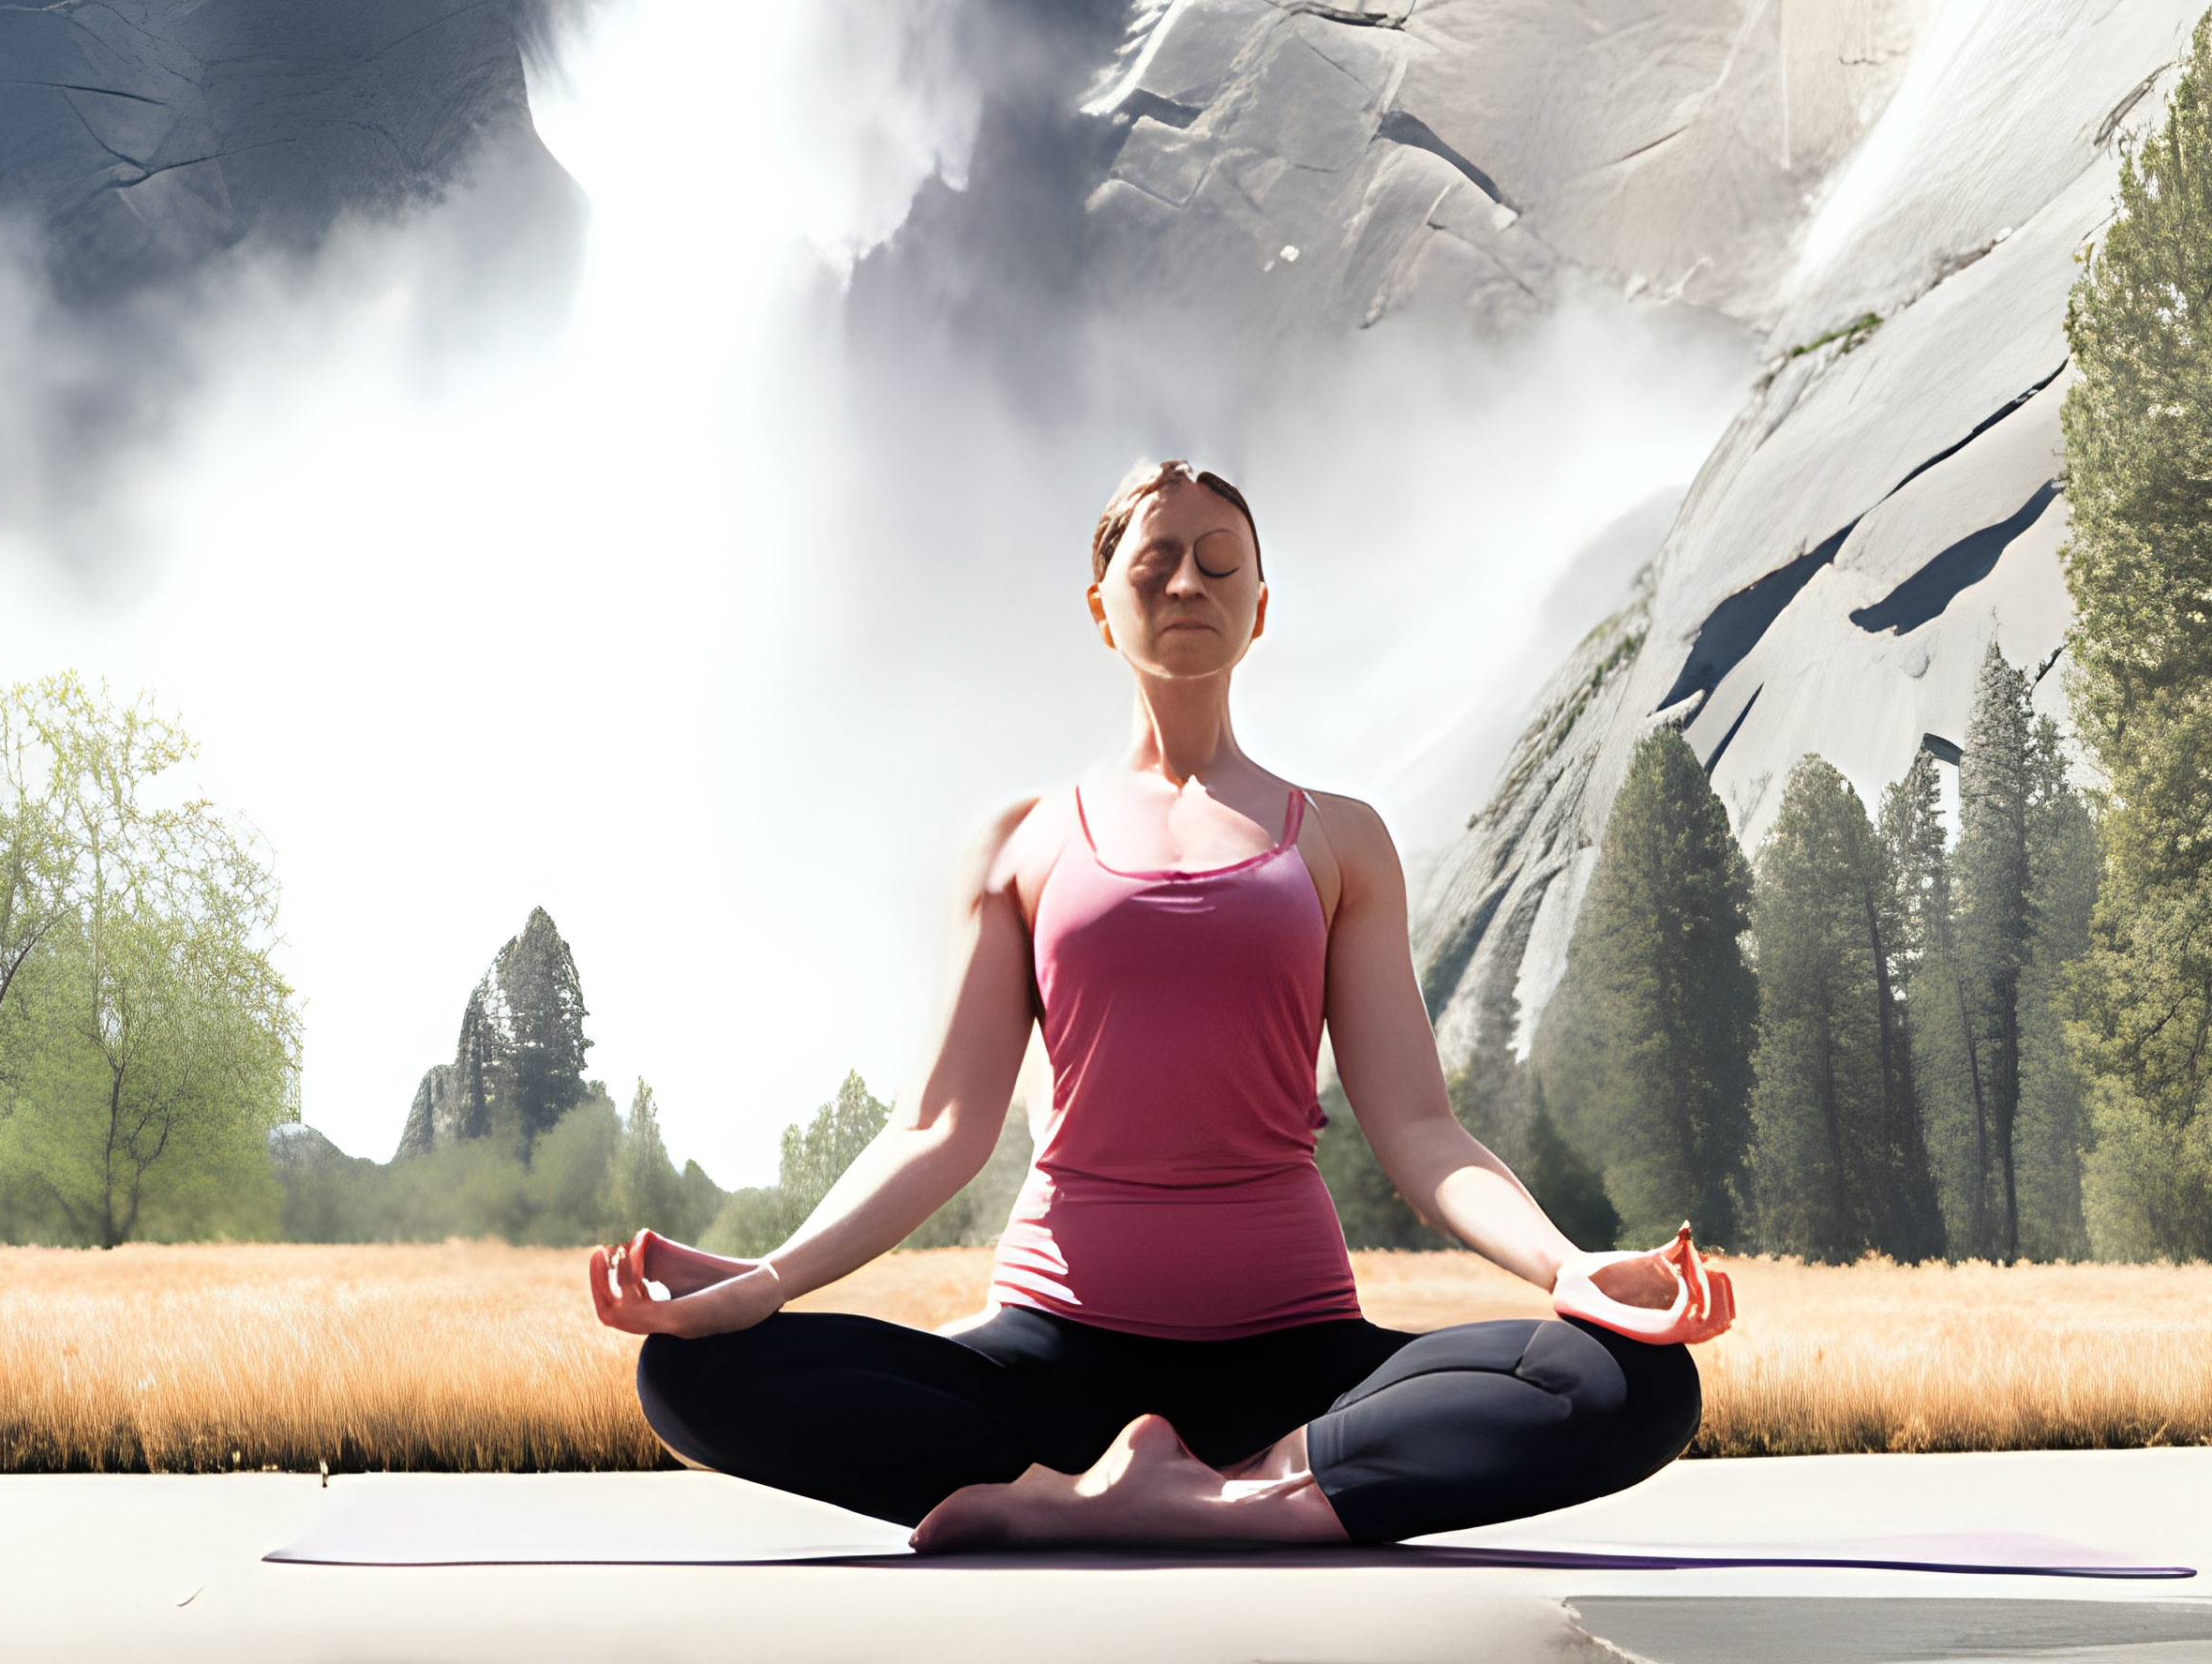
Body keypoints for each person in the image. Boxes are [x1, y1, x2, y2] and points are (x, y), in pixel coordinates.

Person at [583, 457, 1738, 1550]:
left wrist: (1565, 1268)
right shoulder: (1018, 842)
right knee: (691, 1374)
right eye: (1155, 562)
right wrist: (765, 1280)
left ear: (1261, 610)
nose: (1188, 581)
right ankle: (1186, 1495)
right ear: (1101, 606)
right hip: (1051, 1363)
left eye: (1220, 562)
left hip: (1297, 1366)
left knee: (1629, 1380)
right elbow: (937, 1130)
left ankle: (1185, 1503)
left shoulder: (1340, 840)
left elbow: (1422, 1134)